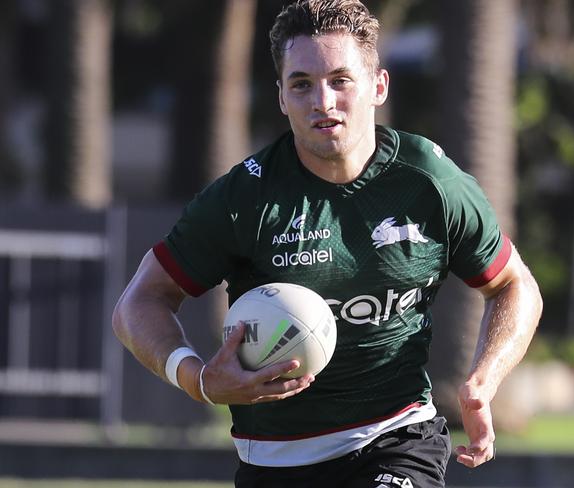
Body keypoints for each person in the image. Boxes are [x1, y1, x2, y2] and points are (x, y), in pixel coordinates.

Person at [112, 1, 543, 486]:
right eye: (301, 84)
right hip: (274, 460)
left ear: (378, 86)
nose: (322, 101)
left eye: (341, 80)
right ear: (280, 96)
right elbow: (138, 304)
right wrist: (197, 379)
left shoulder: (429, 181)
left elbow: (514, 284)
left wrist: (486, 379)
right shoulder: (245, 199)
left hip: (397, 437)